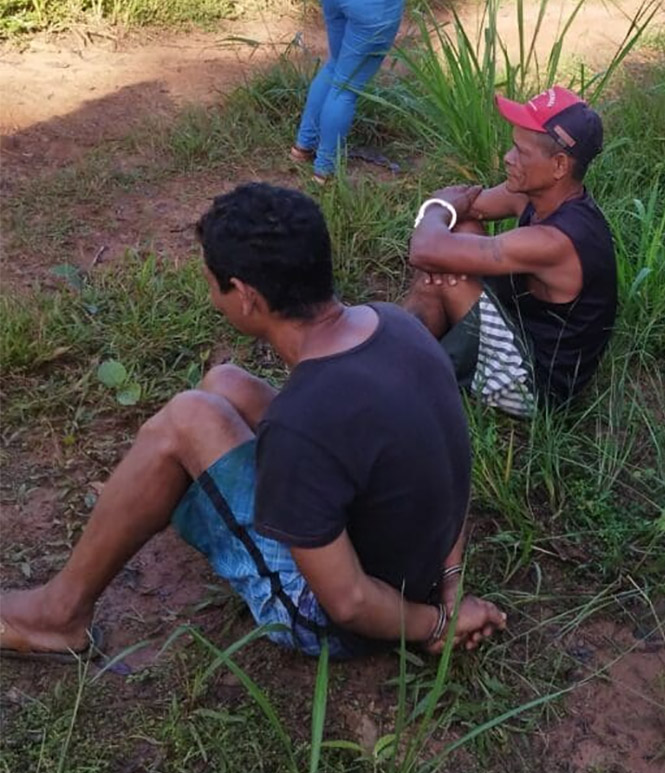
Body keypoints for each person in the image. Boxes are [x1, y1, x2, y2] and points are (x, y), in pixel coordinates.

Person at [0, 183, 505, 662]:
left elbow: (347, 603)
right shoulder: (396, 325)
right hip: (419, 563)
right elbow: (446, 463)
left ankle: (61, 613)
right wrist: (452, 580)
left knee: (185, 420)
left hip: (343, 620)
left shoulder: (299, 423)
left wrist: (436, 622)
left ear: (245, 294)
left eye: (210, 281)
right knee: (226, 384)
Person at [403, 86, 618, 417]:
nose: (507, 156)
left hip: (536, 386)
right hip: (524, 325)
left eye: (520, 151)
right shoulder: (539, 196)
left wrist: (435, 207)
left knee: (445, 270)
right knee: (461, 233)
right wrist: (445, 218)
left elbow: (426, 248)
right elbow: (467, 210)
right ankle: (406, 351)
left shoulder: (555, 241)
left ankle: (396, 363)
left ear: (559, 165)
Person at [290, 0, 405, 182]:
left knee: (334, 66)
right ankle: (324, 170)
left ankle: (303, 146)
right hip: (374, 8)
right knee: (346, 87)